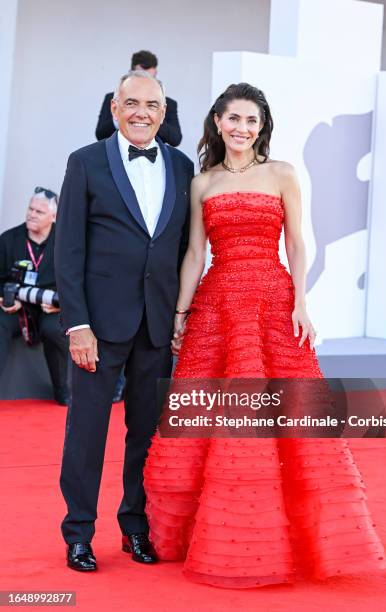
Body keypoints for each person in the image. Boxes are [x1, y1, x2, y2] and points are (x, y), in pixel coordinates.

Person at [143, 83, 386, 587]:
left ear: (262, 127)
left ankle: (300, 540)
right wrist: (181, 314)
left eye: (251, 121)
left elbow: (299, 242)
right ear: (218, 122)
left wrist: (302, 301)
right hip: (217, 304)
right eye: (233, 119)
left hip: (274, 301)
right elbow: (195, 253)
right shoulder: (203, 182)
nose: (242, 129)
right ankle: (198, 533)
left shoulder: (282, 174)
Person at [55, 69, 193, 572]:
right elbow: (68, 251)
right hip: (98, 328)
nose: (141, 113)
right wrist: (77, 325)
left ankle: (135, 528)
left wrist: (181, 314)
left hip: (156, 327)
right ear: (114, 108)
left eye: (152, 106)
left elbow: (179, 248)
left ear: (163, 112)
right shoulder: (85, 163)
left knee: (147, 436)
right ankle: (79, 533)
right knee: (87, 433)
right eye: (131, 104)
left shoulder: (181, 167)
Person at [0, 188, 69, 405]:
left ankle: (63, 391)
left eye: (39, 211)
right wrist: (4, 297)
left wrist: (62, 304)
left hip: (52, 305)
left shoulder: (67, 241)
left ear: (53, 216)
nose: (32, 214)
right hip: (18, 305)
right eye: (30, 208)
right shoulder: (9, 239)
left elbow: (79, 279)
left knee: (55, 329)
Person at [96, 50, 182, 146]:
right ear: (130, 73)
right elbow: (100, 134)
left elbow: (176, 139)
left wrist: (154, 117)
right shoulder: (112, 98)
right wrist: (120, 116)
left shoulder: (168, 103)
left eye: (150, 77)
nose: (144, 82)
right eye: (140, 76)